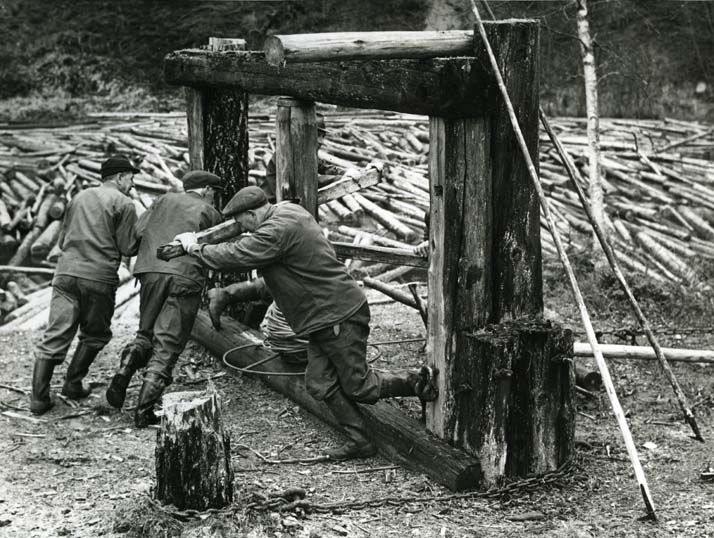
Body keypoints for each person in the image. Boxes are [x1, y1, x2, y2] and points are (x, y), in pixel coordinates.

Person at [174, 186, 438, 460]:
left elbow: (236, 255)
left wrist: (194, 248)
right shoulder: (289, 210)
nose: (242, 229)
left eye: (242, 222)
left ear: (252, 214)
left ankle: (416, 381)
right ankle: (361, 442)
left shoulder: (274, 231)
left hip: (338, 313)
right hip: (324, 317)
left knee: (360, 386)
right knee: (319, 382)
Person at [105, 170, 223, 427]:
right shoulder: (210, 213)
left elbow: (137, 234)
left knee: (144, 334)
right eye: (214, 192)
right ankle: (143, 411)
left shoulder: (162, 201)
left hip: (150, 271)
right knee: (167, 343)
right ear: (205, 190)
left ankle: (126, 368)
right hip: (184, 277)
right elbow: (216, 251)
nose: (214, 197)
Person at [30, 156, 140, 415]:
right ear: (120, 177)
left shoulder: (79, 197)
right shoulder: (124, 203)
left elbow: (64, 236)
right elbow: (127, 247)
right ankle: (73, 383)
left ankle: (38, 399)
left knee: (56, 333)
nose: (132, 184)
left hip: (66, 273)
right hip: (98, 278)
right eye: (131, 178)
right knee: (95, 334)